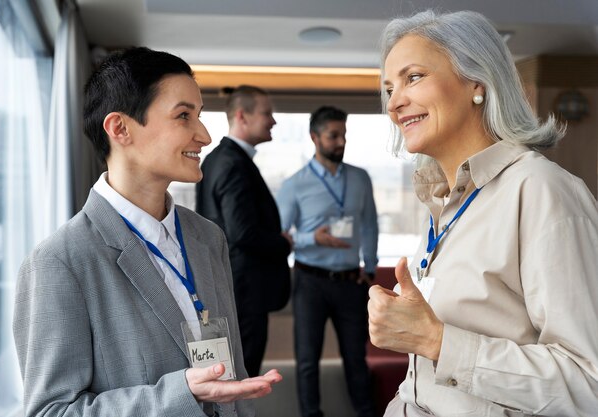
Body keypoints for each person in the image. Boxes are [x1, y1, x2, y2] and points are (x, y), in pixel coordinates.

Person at [12, 47, 282, 417]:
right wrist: (182, 393)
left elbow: (233, 380)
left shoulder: (207, 237)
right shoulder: (59, 262)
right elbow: (51, 412)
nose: (204, 135)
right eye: (184, 116)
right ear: (119, 128)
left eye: (199, 115)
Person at [368, 10, 598, 417]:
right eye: (389, 88)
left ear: (478, 82)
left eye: (413, 77)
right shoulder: (442, 202)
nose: (394, 102)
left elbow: (588, 385)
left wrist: (438, 341)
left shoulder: (542, 191)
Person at [277, 106, 378, 417]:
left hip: (351, 282)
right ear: (314, 137)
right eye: (333, 136)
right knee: (307, 360)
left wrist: (370, 269)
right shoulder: (294, 184)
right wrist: (311, 239)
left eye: (344, 135)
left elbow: (370, 225)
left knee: (355, 358)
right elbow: (280, 236)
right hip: (310, 283)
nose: (341, 142)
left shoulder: (360, 178)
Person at [196, 85, 292, 377]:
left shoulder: (216, 159)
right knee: (241, 378)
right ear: (242, 116)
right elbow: (242, 233)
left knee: (226, 377)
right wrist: (283, 242)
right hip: (243, 292)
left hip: (228, 285)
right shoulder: (233, 164)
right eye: (267, 113)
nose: (273, 121)